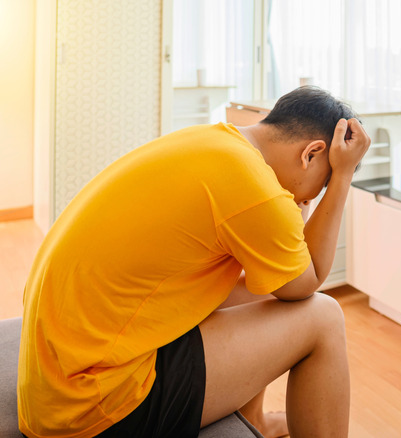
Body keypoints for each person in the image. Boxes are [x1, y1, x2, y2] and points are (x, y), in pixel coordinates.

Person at [17, 86, 370, 438]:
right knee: (323, 316)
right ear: (311, 154)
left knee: (265, 288)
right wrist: (343, 176)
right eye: (320, 184)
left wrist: (321, 183)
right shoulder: (255, 188)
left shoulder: (214, 141)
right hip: (90, 403)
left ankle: (256, 423)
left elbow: (282, 282)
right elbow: (309, 281)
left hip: (55, 381)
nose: (308, 199)